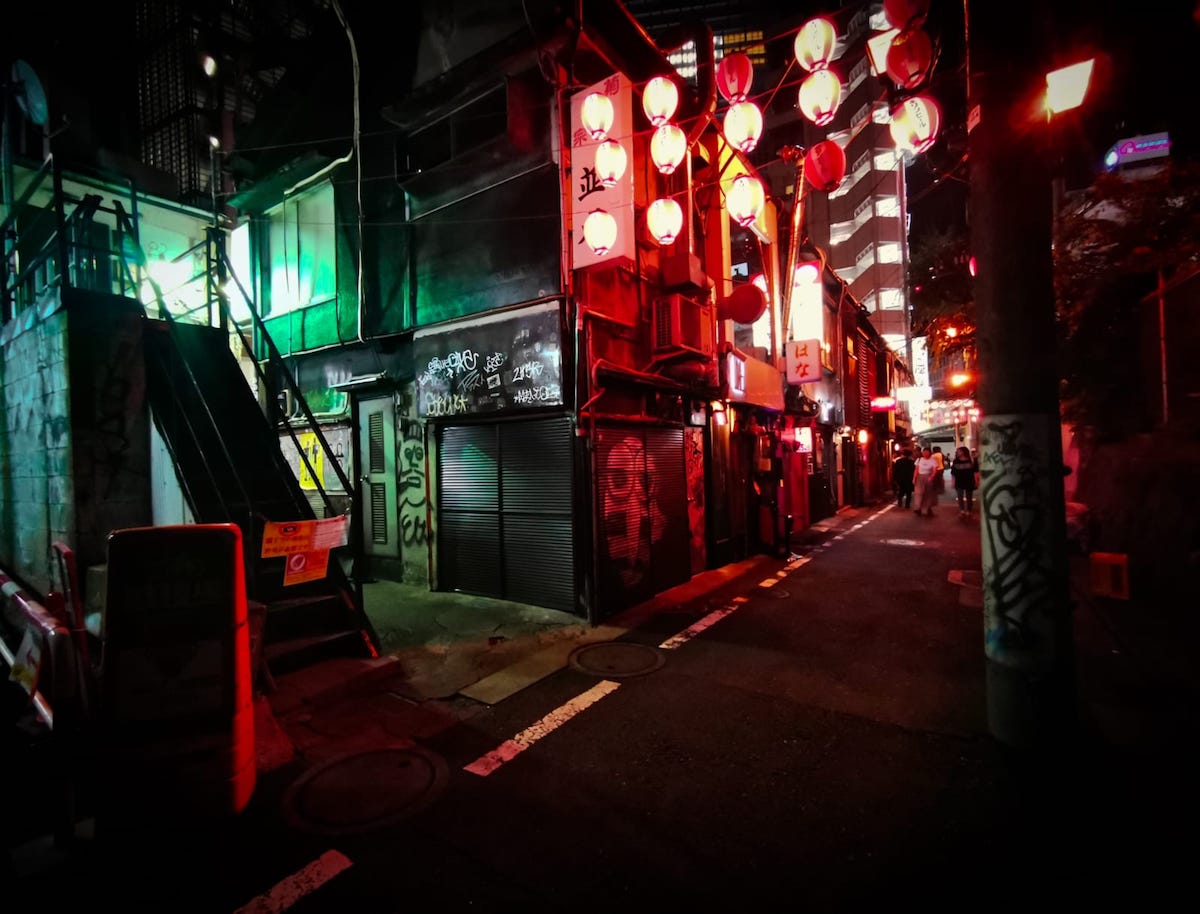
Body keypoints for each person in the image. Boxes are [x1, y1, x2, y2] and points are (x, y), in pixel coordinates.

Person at [950, 445, 980, 516]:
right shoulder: (956, 461)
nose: (957, 452)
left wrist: (977, 481)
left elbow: (976, 472)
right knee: (960, 497)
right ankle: (962, 510)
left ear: (964, 452)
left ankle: (969, 511)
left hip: (969, 481)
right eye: (957, 451)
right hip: (959, 481)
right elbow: (953, 473)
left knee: (969, 497)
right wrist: (953, 482)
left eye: (959, 451)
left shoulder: (972, 460)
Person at [913, 446, 940, 516]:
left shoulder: (933, 460)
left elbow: (935, 470)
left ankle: (928, 508)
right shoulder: (919, 460)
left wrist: (931, 477)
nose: (925, 454)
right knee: (918, 493)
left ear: (930, 453)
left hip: (928, 476)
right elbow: (916, 470)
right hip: (920, 477)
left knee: (928, 494)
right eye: (924, 452)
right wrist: (914, 478)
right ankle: (918, 508)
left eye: (927, 452)